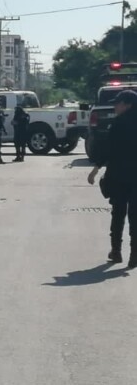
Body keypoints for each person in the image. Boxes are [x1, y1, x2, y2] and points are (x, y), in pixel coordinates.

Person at [87, 89, 137, 265]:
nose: (115, 106)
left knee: (118, 215)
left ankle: (116, 251)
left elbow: (108, 149)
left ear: (128, 105)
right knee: (135, 216)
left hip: (118, 176)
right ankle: (134, 255)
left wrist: (95, 169)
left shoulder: (117, 124)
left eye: (118, 103)